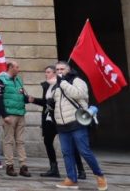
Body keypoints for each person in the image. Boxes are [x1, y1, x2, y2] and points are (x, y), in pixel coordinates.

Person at [48, 61, 108, 191]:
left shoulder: (77, 81)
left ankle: (100, 175)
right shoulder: (57, 84)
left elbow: (79, 95)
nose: (59, 71)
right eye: (57, 69)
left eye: (62, 69)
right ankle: (71, 179)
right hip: (62, 124)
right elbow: (53, 101)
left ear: (68, 69)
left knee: (84, 151)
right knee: (66, 152)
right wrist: (53, 87)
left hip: (77, 122)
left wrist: (63, 83)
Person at [36, 65, 84, 180]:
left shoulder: (62, 84)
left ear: (54, 74)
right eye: (45, 72)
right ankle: (54, 169)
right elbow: (46, 103)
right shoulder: (46, 86)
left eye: (48, 72)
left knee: (71, 145)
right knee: (47, 142)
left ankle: (81, 170)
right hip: (48, 119)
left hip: (60, 119)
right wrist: (33, 100)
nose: (46, 74)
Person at [0, 59, 31, 177]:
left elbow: (22, 95)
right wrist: (4, 115)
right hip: (9, 114)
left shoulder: (19, 80)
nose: (18, 69)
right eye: (16, 67)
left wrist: (27, 99)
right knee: (9, 140)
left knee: (21, 141)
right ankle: (9, 165)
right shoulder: (0, 80)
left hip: (20, 113)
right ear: (10, 67)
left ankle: (23, 165)